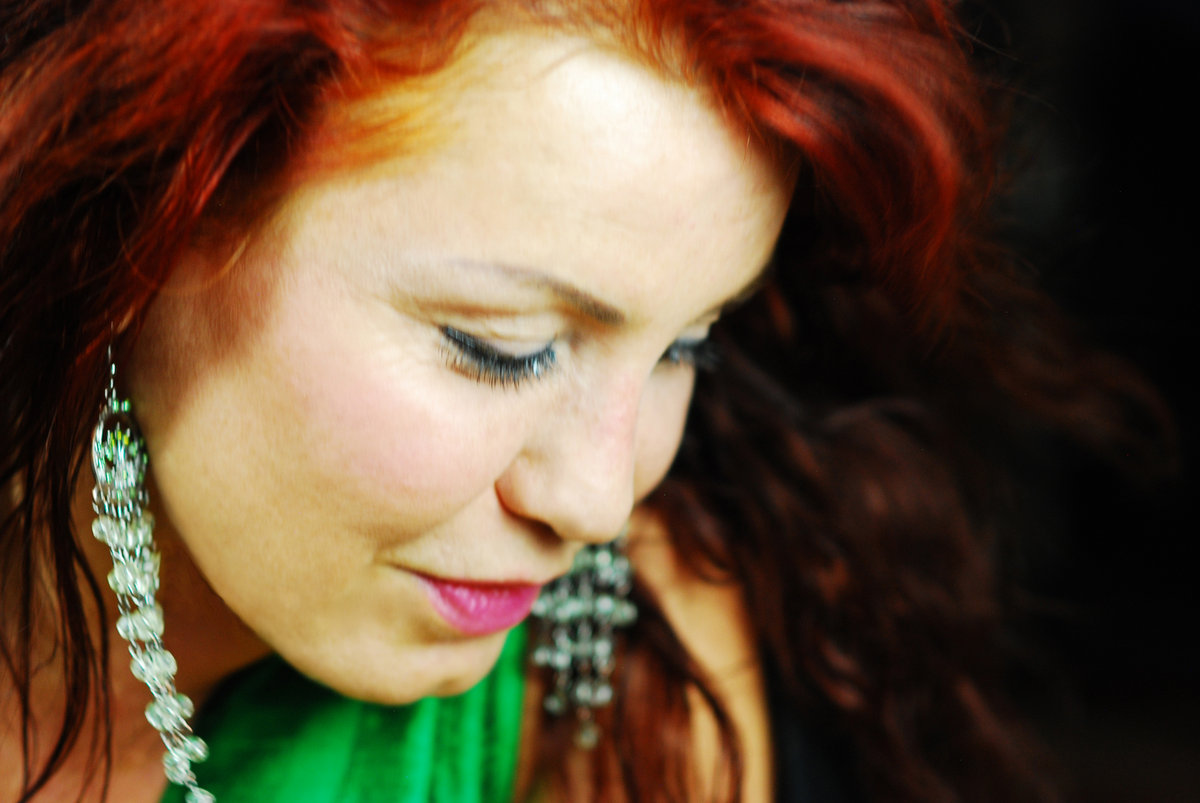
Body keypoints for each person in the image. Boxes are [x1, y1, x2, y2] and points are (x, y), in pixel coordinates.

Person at [0, 1, 1166, 801]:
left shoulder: (647, 686)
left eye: (687, 347)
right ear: (145, 223)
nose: (601, 500)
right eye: (501, 347)